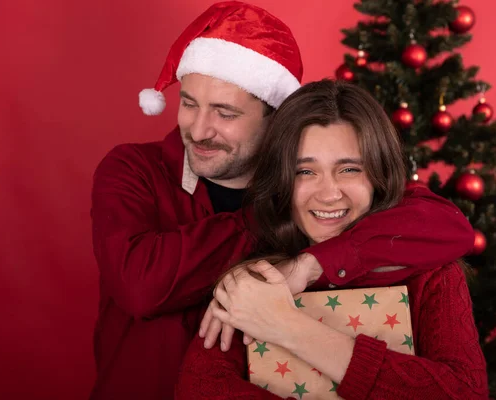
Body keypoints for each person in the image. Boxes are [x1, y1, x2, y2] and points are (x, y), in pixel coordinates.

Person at [90, 2, 474, 399]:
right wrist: (278, 216)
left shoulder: (323, 213)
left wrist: (306, 266)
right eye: (188, 103)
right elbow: (141, 286)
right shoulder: (135, 169)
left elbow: (445, 224)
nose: (199, 129)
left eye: (225, 113)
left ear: (276, 120)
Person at [176, 80, 488, 399]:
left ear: (378, 176)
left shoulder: (430, 274)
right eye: (305, 172)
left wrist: (287, 326)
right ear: (282, 180)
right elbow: (201, 389)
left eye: (349, 169)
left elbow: (465, 393)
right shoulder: (254, 277)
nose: (329, 194)